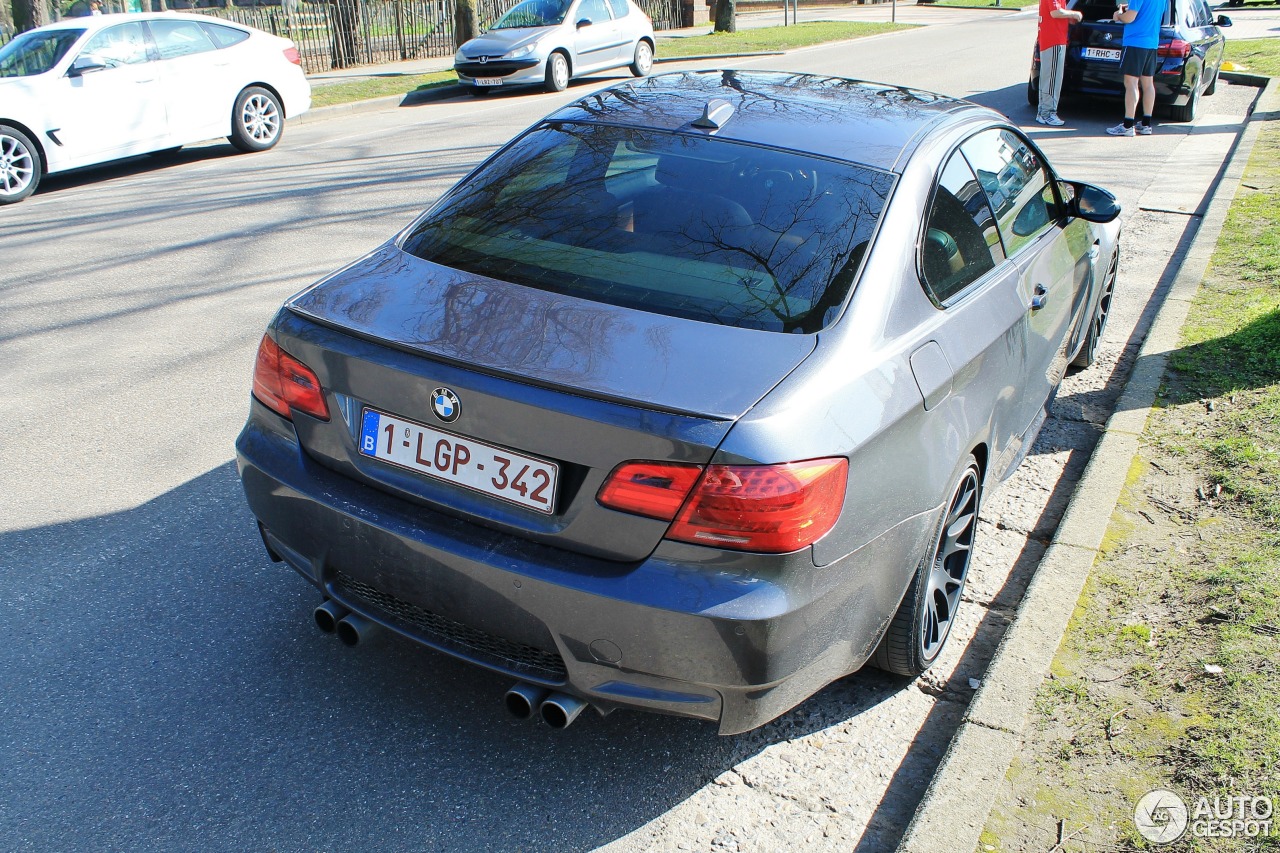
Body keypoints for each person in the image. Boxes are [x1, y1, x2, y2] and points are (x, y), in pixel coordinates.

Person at [1107, 0, 1163, 136]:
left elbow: (1130, 17)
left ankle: (1127, 125)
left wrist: (1118, 15)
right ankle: (1146, 124)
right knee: (1148, 84)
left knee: (1131, 83)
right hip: (1151, 43)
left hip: (1135, 42)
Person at [1036, 0, 1083, 126]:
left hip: (1050, 39)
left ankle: (1043, 111)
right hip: (1054, 40)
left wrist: (1067, 17)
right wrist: (1074, 14)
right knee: (1053, 79)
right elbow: (1055, 12)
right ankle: (1048, 113)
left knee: (1047, 78)